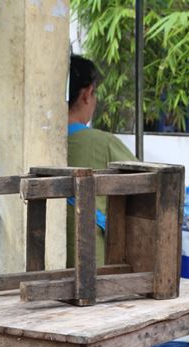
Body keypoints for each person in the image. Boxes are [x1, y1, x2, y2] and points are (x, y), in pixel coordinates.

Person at [66, 55, 137, 268]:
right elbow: (148, 183)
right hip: (91, 262)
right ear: (87, 94)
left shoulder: (36, 142)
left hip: (47, 264)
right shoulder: (103, 143)